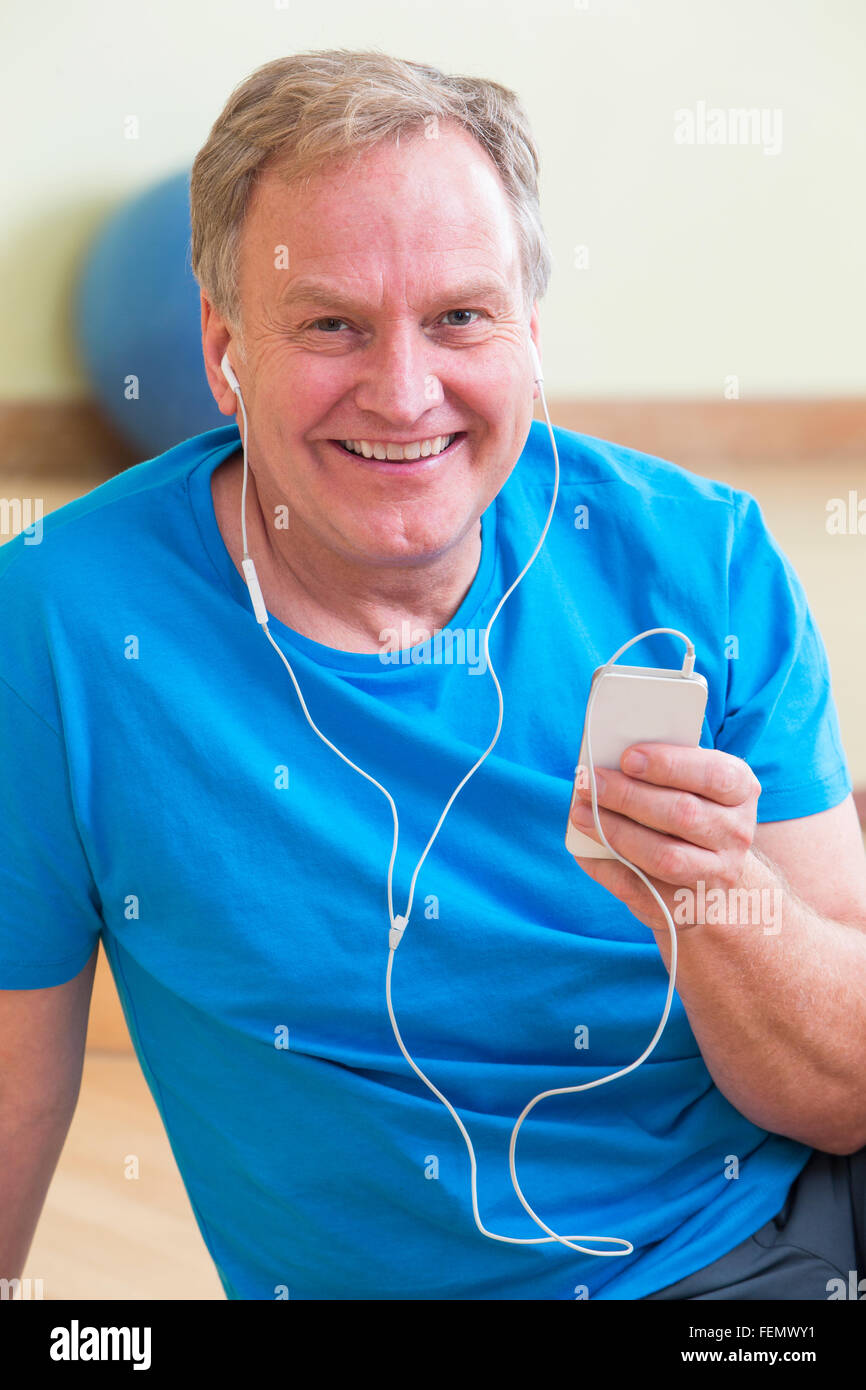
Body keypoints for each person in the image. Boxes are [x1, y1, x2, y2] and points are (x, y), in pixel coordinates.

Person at [1, 49, 864, 1303]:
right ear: (221, 342)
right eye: (330, 324)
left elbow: (841, 1087)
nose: (404, 394)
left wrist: (717, 904)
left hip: (787, 1221)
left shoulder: (697, 554)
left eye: (459, 316)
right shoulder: (62, 621)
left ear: (527, 333)